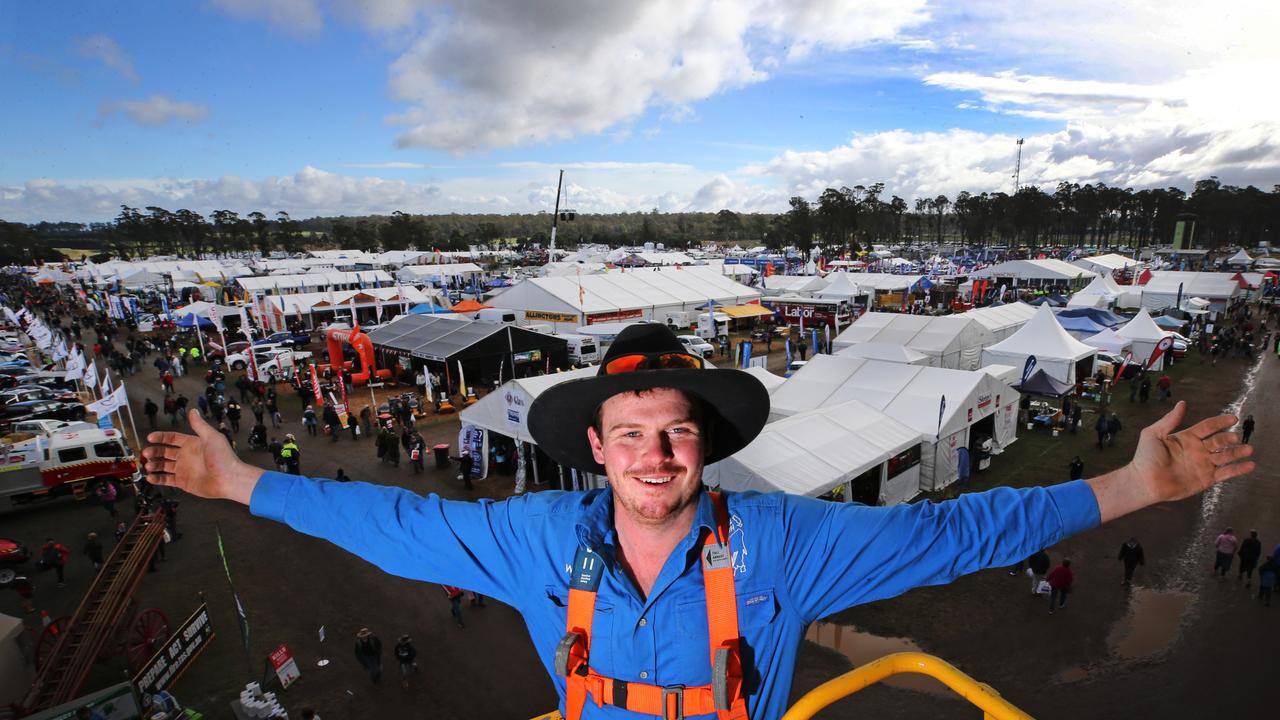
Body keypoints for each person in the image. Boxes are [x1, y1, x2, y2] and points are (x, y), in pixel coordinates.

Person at [140, 323, 1255, 720]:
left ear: (704, 445)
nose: (653, 454)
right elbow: (384, 519)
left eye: (674, 433)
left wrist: (1127, 489)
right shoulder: (534, 541)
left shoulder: (781, 545)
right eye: (629, 433)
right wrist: (241, 483)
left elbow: (958, 533)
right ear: (594, 447)